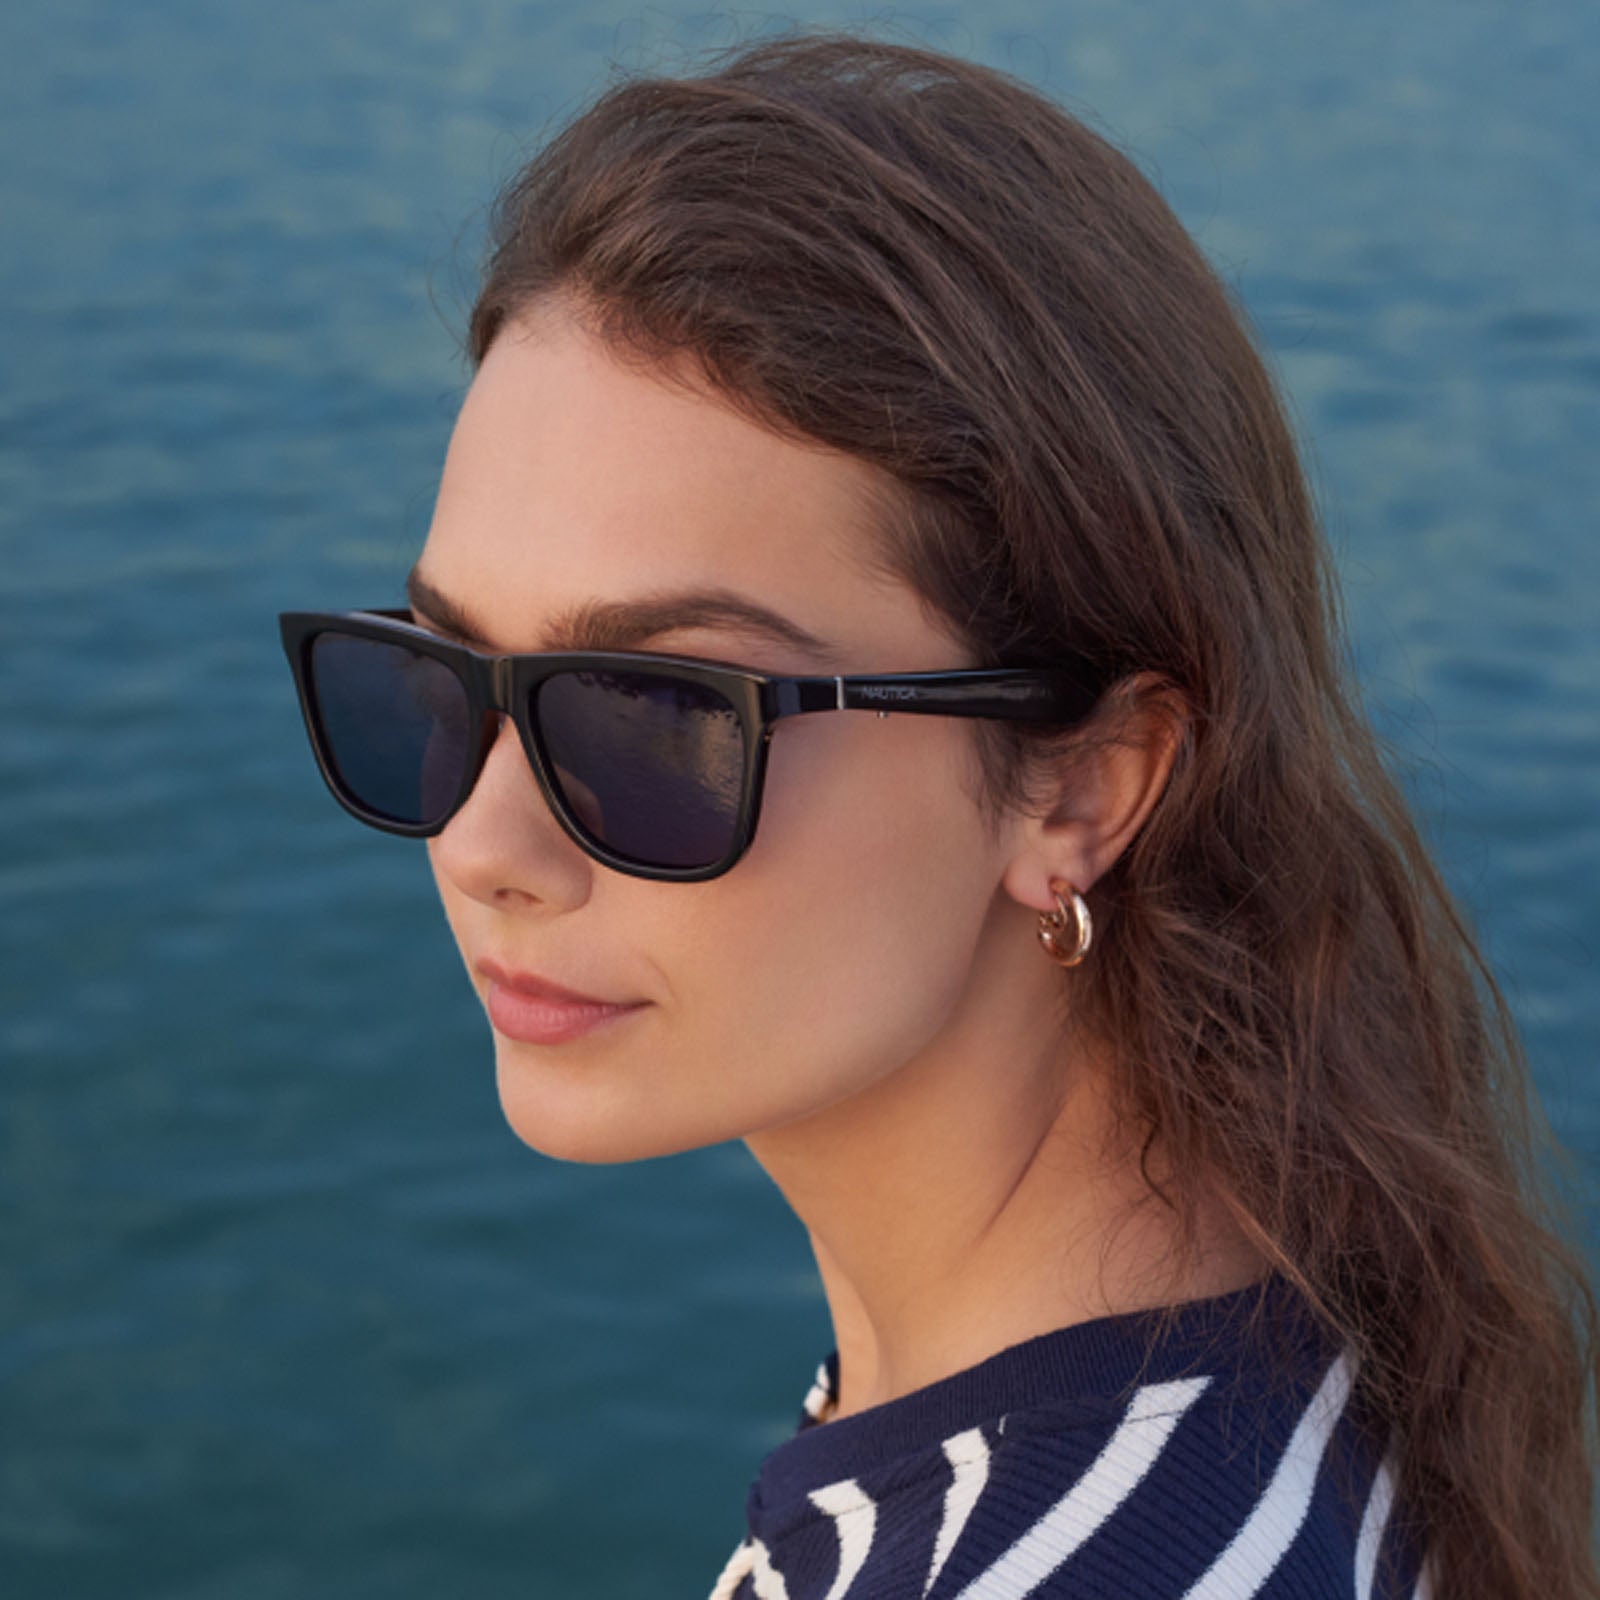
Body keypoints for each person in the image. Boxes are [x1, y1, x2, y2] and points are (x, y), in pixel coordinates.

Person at [278, 32, 1599, 1600]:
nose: (485, 849)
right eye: (439, 681)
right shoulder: (1248, 1330)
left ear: (1083, 782)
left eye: (657, 718)